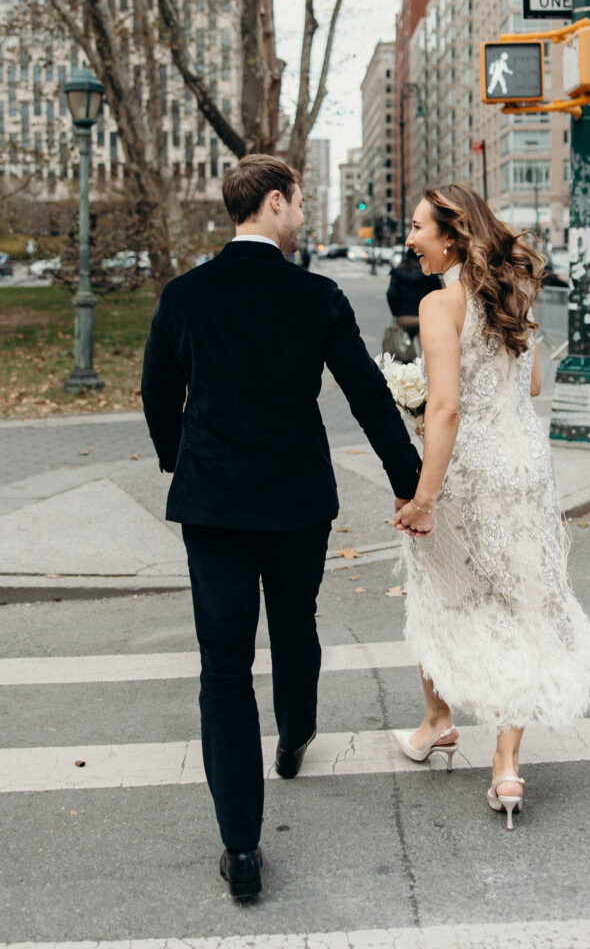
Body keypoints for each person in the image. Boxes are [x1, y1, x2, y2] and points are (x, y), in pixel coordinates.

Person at [140, 154, 422, 900]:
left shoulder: (185, 295)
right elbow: (365, 393)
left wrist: (182, 460)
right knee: (296, 623)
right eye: (298, 201)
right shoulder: (316, 296)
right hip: (296, 501)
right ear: (273, 202)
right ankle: (295, 733)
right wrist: (409, 483)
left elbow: (156, 391)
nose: (302, 214)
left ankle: (240, 848)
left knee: (223, 669)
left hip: (214, 506)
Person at [392, 184, 590, 831]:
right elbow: (530, 383)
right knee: (522, 600)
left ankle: (437, 720)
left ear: (450, 237)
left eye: (419, 227)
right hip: (527, 467)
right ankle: (505, 766)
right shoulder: (512, 295)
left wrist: (423, 497)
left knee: (439, 591)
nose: (410, 238)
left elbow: (447, 409)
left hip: (469, 469)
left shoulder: (439, 303)